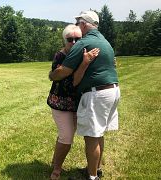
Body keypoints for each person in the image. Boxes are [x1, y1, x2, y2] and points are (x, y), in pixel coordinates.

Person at [49, 11, 120, 180]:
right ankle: (95, 169)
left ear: (83, 24)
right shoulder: (104, 41)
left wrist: (52, 75)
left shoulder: (85, 43)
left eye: (78, 22)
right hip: (112, 91)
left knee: (93, 136)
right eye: (70, 39)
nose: (75, 41)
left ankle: (92, 176)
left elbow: (63, 74)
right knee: (98, 133)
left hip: (97, 94)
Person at [47, 24, 100, 180]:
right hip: (61, 103)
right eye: (70, 40)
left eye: (78, 39)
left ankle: (55, 162)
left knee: (65, 135)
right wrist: (84, 63)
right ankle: (57, 168)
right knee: (67, 136)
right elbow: (69, 83)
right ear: (65, 40)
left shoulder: (83, 54)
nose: (75, 43)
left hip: (78, 103)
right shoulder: (60, 56)